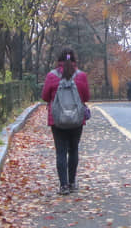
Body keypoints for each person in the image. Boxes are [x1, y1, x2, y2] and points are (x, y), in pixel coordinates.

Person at [42, 48, 90, 195]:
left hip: (57, 120)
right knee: (73, 150)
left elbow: (45, 96)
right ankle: (72, 182)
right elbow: (86, 97)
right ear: (74, 60)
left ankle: (63, 186)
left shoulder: (52, 76)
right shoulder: (81, 76)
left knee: (61, 152)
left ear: (59, 60)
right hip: (76, 120)